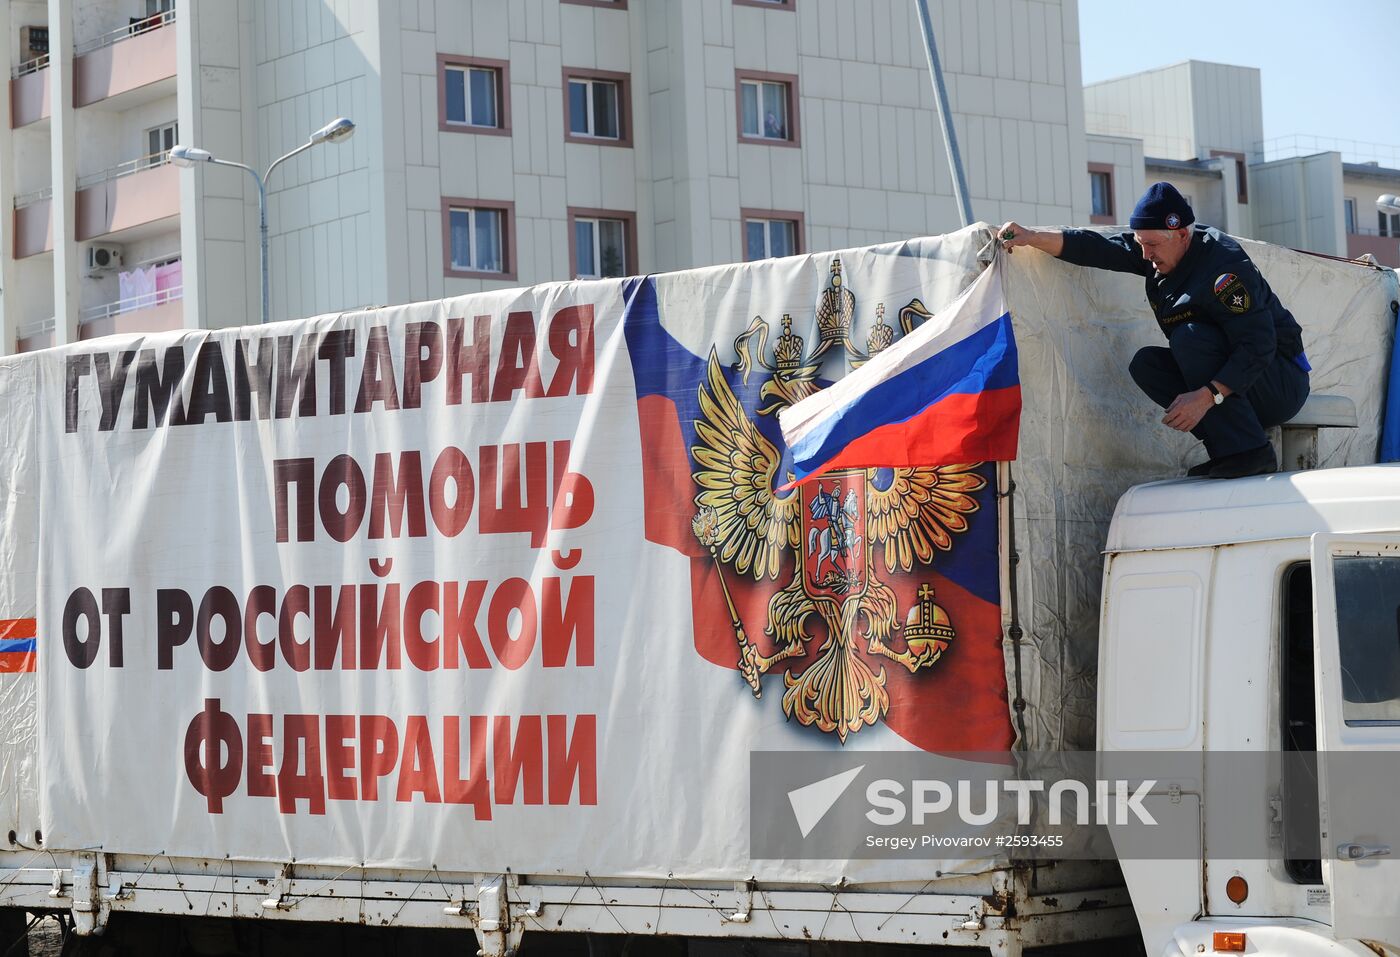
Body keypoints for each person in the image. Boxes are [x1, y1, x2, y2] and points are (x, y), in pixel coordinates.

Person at [997, 182, 1310, 479]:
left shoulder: (1224, 270)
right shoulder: (1158, 251)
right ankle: (1229, 451)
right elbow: (1095, 248)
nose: (1145, 255)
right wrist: (1032, 236)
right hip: (1237, 386)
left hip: (1278, 382)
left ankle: (1252, 452)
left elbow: (1259, 345)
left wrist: (1206, 396)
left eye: (1152, 245)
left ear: (1183, 235)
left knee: (1189, 338)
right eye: (1140, 244)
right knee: (1148, 366)